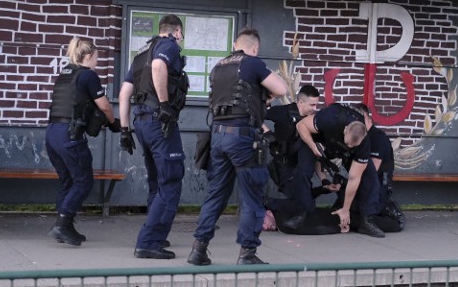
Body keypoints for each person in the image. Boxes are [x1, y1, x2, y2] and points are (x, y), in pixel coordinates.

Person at [187, 27, 288, 266]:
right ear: (255, 48)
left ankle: (198, 250)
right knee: (252, 196)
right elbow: (282, 89)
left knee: (215, 195)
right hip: (243, 138)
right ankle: (247, 254)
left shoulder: (218, 67)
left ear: (234, 44)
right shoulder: (252, 63)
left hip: (218, 137)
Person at [118, 14, 189, 259]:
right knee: (171, 180)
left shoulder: (140, 55)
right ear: (176, 31)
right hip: (160, 123)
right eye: (181, 34)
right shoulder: (168, 45)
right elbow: (159, 67)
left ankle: (157, 234)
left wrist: (125, 129)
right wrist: (165, 105)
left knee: (157, 182)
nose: (180, 38)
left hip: (141, 122)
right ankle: (149, 241)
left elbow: (125, 91)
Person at [45, 36, 121, 246]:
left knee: (67, 180)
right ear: (88, 56)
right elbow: (104, 106)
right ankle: (62, 224)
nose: (97, 62)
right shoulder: (88, 75)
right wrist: (114, 123)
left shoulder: (65, 74)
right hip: (69, 134)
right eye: (96, 58)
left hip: (52, 132)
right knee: (83, 181)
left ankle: (64, 226)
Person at [296, 102, 385, 238]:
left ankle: (367, 220)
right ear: (345, 130)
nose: (349, 146)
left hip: (340, 150)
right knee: (303, 170)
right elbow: (300, 125)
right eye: (348, 142)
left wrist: (345, 209)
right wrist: (313, 147)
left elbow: (354, 178)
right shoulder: (331, 117)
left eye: (353, 145)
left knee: (370, 175)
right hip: (318, 141)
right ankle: (301, 213)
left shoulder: (363, 143)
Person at [263, 84, 322, 220]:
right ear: (300, 102)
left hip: (301, 170)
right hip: (283, 168)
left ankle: (265, 203)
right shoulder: (283, 112)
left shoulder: (313, 121)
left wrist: (323, 180)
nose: (315, 109)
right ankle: (263, 202)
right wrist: (266, 132)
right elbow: (255, 115)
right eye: (312, 105)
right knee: (305, 205)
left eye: (316, 105)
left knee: (306, 206)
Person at [351, 103, 405, 231]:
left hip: (378, 185)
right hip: (365, 183)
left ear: (366, 118)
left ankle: (389, 211)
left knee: (359, 218)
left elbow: (372, 170)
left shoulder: (377, 138)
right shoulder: (362, 136)